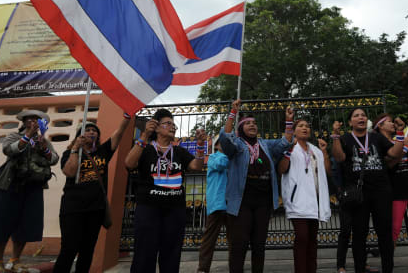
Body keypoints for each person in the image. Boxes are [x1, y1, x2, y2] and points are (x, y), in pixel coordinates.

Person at [0, 109, 59, 273]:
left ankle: (15, 260)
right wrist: (27, 137)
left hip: (33, 186)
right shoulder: (14, 136)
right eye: (30, 119)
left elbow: (54, 159)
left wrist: (43, 147)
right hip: (9, 184)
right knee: (1, 222)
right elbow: (9, 150)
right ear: (24, 122)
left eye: (37, 120)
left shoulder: (44, 141)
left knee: (25, 225)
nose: (33, 121)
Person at [125, 108, 205, 273]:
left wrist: (200, 146)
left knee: (171, 255)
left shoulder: (179, 151)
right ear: (156, 127)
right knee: (144, 254)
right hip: (148, 209)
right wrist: (144, 136)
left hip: (175, 210)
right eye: (168, 123)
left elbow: (196, 166)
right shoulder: (145, 149)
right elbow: (129, 163)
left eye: (173, 124)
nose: (173, 127)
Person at [219, 99, 293, 273]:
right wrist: (232, 113)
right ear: (240, 128)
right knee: (240, 244)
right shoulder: (237, 144)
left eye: (254, 123)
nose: (252, 125)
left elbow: (285, 142)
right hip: (242, 201)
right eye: (248, 123)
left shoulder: (265, 145)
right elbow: (225, 138)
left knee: (259, 244)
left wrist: (289, 121)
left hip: (263, 201)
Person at [53, 113, 131, 273]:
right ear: (79, 135)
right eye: (87, 130)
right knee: (69, 248)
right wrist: (75, 148)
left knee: (87, 250)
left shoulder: (103, 152)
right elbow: (69, 172)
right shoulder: (69, 154)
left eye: (94, 130)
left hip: (95, 208)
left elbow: (119, 133)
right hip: (72, 208)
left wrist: (127, 117)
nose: (91, 132)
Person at [330, 108, 404, 273]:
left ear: (367, 121)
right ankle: (359, 269)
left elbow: (394, 153)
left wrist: (400, 133)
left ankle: (388, 269)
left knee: (384, 233)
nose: (360, 117)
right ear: (350, 122)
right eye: (356, 116)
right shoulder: (345, 138)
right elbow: (339, 158)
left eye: (363, 115)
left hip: (381, 191)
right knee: (359, 234)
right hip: (358, 194)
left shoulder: (376, 137)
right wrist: (335, 135)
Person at [374, 114, 408, 273]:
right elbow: (388, 162)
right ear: (380, 126)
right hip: (394, 189)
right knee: (394, 228)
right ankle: (388, 267)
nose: (392, 123)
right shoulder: (378, 143)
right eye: (389, 121)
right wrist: (400, 148)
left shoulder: (400, 138)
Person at [278, 119, 331, 273]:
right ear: (294, 131)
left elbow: (327, 171)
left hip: (314, 202)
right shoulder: (289, 148)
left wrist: (325, 152)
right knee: (302, 238)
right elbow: (281, 169)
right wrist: (288, 152)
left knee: (312, 241)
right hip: (298, 201)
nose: (305, 128)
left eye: (307, 126)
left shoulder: (315, 149)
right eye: (300, 126)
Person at [197, 139, 229, 273]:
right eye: (223, 142)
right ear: (216, 145)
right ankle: (203, 268)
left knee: (235, 239)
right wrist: (231, 155)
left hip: (231, 203)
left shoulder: (233, 158)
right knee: (209, 239)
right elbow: (221, 164)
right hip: (217, 204)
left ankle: (235, 266)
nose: (226, 144)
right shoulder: (213, 158)